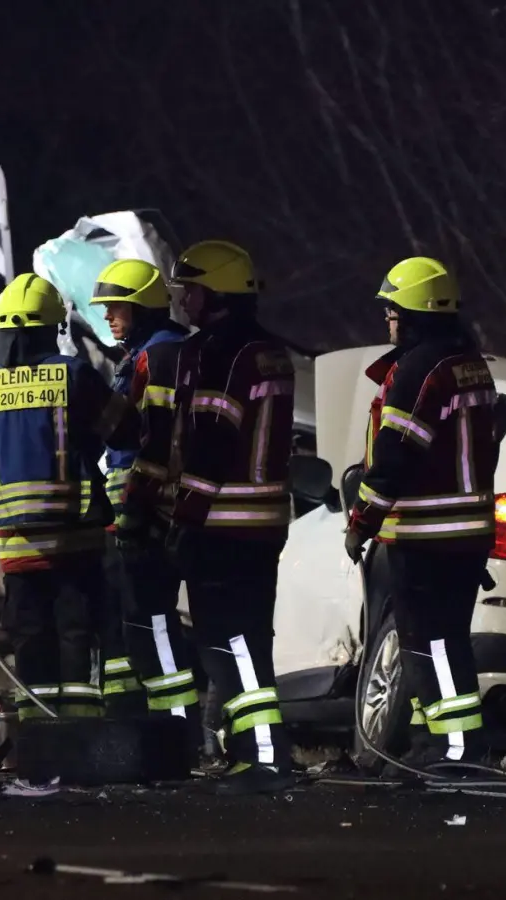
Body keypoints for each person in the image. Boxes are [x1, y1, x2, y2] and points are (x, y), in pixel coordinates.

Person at [125, 240, 296, 793]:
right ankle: (261, 753)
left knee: (227, 640)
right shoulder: (269, 350)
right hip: (263, 522)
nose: (183, 300)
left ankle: (262, 758)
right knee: (249, 639)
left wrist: (185, 517)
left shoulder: (217, 353)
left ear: (215, 294)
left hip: (223, 522)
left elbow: (210, 441)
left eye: (190, 289)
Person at [0, 274, 139, 721]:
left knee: (29, 638)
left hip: (16, 546)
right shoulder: (74, 375)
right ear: (51, 327)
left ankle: (37, 742)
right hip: (76, 539)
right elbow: (126, 430)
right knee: (75, 634)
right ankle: (76, 738)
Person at [343, 257, 499, 767]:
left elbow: (394, 458)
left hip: (427, 535)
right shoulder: (468, 363)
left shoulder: (418, 370)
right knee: (441, 641)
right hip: (467, 534)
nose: (388, 320)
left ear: (413, 312)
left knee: (428, 643)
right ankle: (428, 745)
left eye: (392, 310)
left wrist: (360, 521)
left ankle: (456, 749)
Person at [88, 260, 189, 716]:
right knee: (132, 618)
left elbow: (150, 437)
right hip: (132, 508)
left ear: (143, 307)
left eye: (116, 308)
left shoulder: (161, 355)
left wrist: (134, 510)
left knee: (154, 618)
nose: (108, 317)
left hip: (147, 509)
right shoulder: (144, 353)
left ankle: (177, 721)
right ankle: (136, 720)